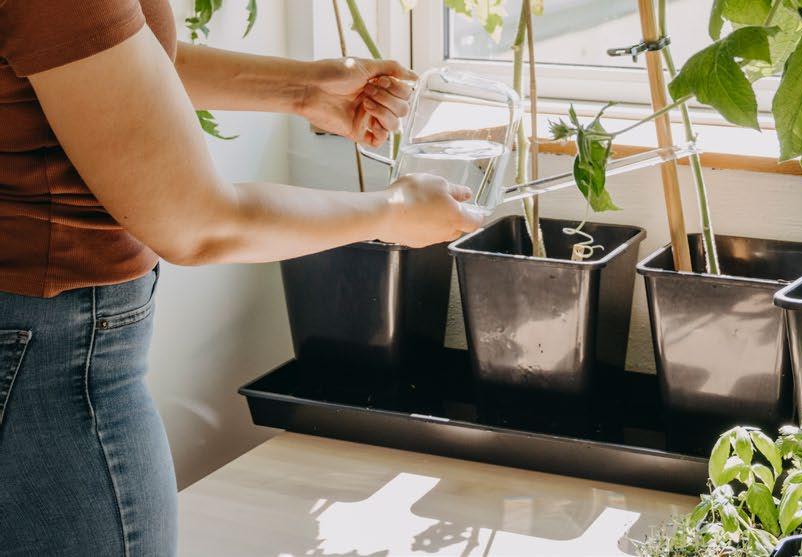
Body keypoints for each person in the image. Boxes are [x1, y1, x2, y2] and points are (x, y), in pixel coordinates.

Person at [0, 1, 481, 554]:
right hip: (50, 357)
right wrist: (392, 213)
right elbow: (198, 225)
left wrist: (303, 89)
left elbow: (99, 60)